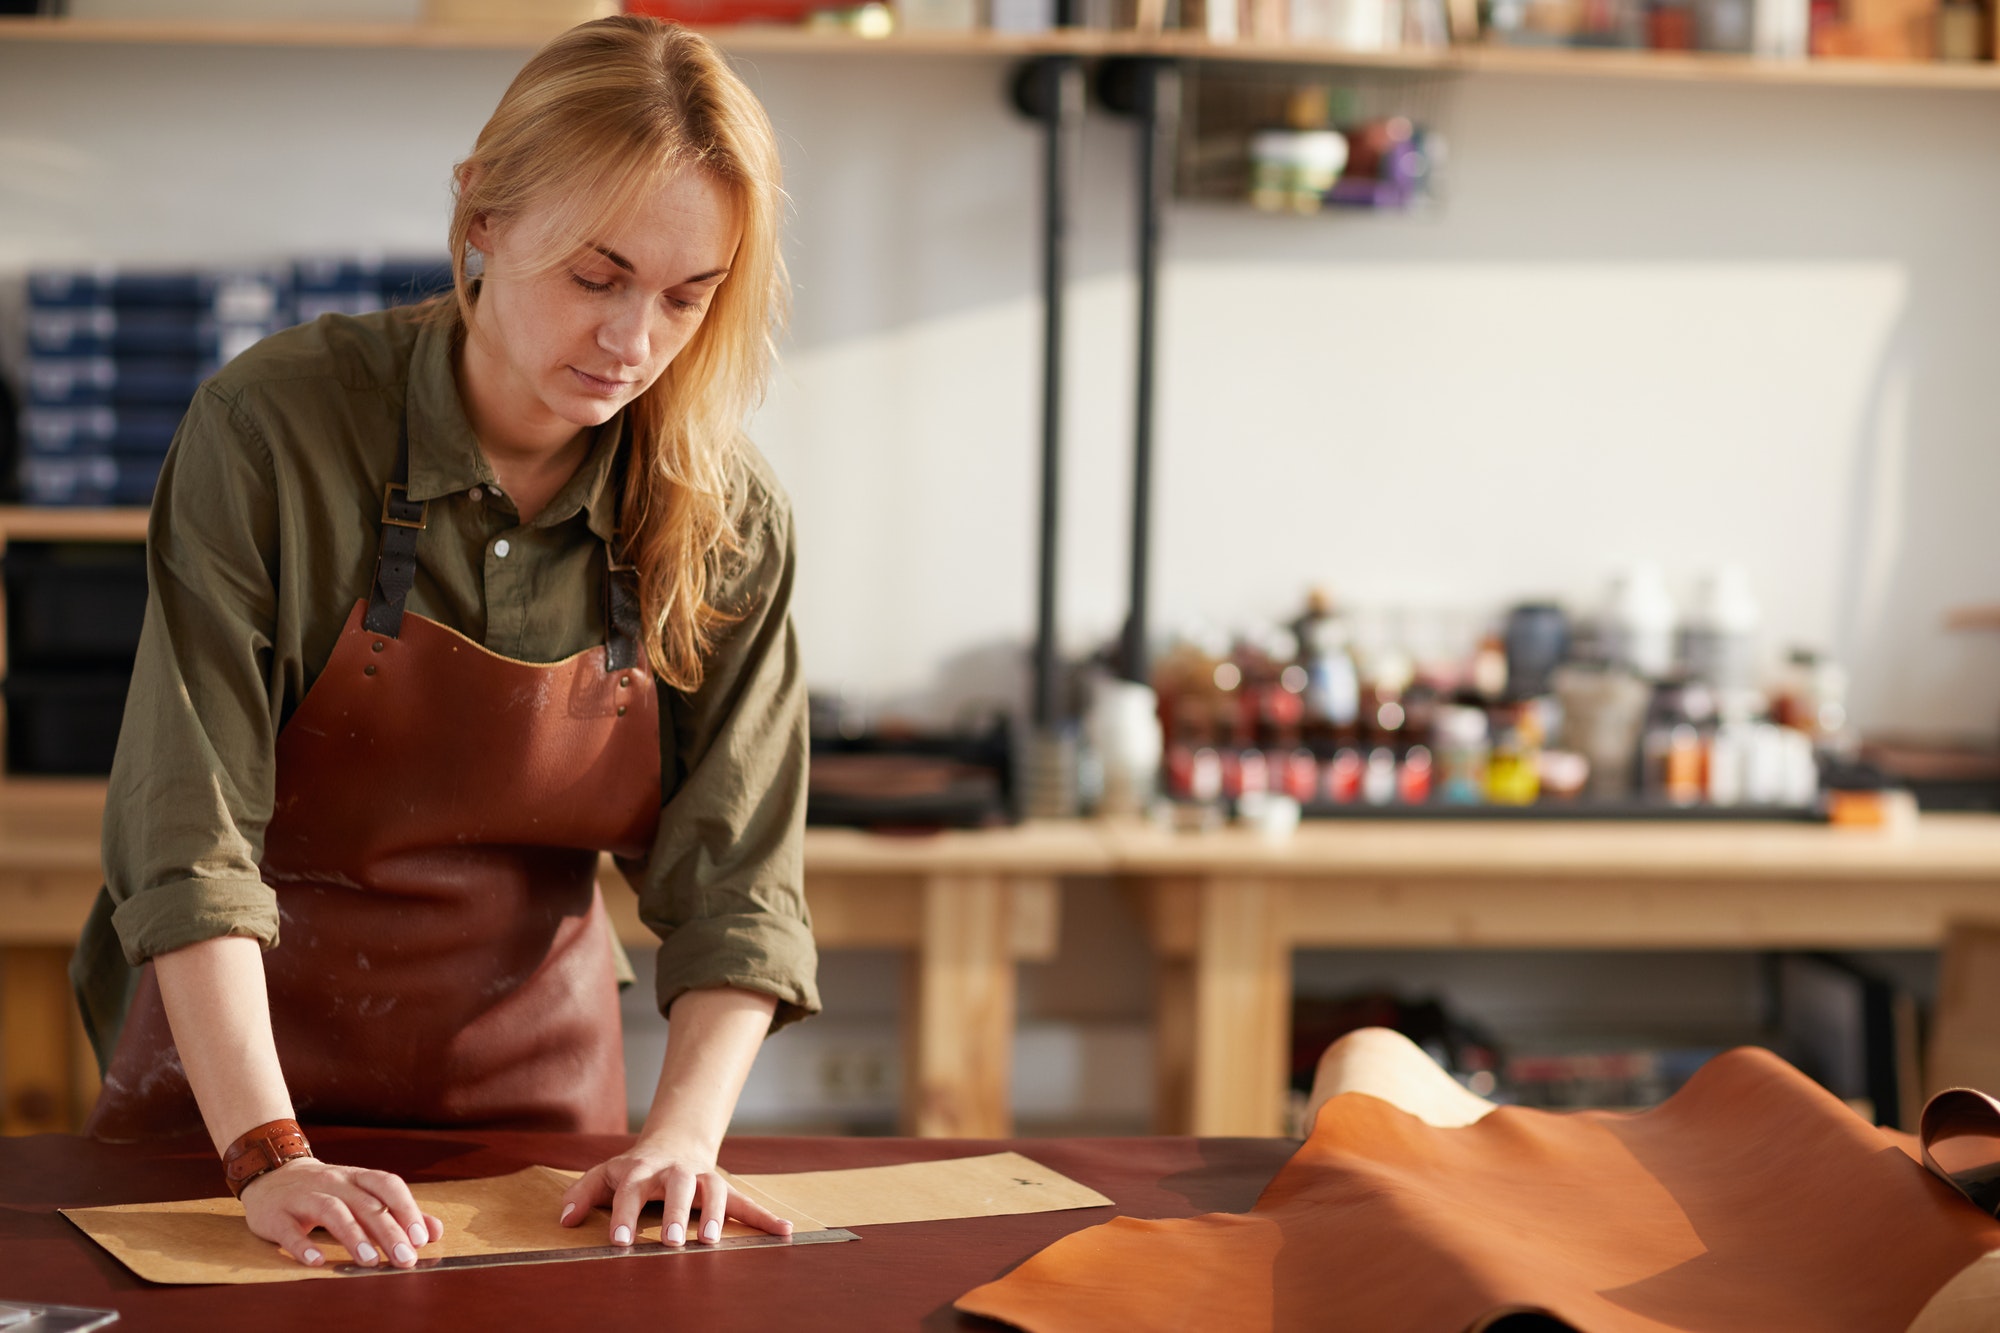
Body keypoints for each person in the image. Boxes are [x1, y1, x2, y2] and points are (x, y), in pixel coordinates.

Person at [66, 15, 818, 1271]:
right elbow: (187, 834)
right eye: (597, 277)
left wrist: (683, 1139)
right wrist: (269, 1154)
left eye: (687, 297)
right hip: (231, 1111)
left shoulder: (724, 514)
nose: (633, 342)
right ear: (483, 214)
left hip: (533, 1122)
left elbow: (738, 882)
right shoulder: (271, 432)